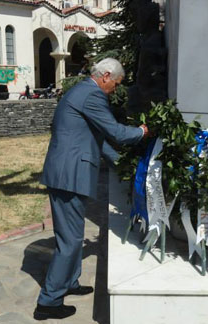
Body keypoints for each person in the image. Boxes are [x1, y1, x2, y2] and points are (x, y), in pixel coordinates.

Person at [34, 58, 149, 320]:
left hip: (69, 172)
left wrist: (123, 166)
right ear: (106, 76)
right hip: (69, 175)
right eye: (116, 84)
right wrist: (143, 132)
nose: (116, 90)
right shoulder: (92, 95)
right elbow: (116, 133)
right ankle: (48, 302)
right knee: (70, 240)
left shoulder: (83, 92)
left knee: (72, 235)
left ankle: (69, 282)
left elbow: (97, 139)